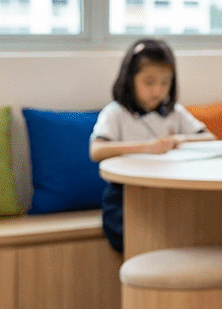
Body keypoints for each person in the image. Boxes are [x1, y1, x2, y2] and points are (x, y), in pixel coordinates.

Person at [90, 39, 211, 253]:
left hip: (169, 193)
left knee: (200, 224)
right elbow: (96, 150)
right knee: (146, 237)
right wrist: (146, 146)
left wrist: (179, 140)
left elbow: (209, 138)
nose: (158, 90)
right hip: (125, 197)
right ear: (130, 79)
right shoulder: (116, 112)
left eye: (165, 83)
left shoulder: (174, 112)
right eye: (149, 82)